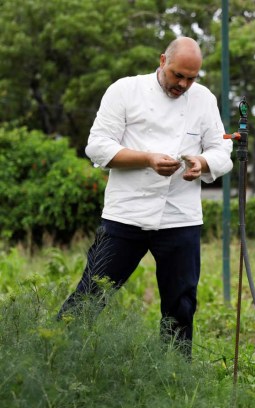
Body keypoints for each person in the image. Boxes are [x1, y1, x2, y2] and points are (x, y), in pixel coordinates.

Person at [57, 37, 233, 358]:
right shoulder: (124, 90)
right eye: (177, 75)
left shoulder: (204, 99)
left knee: (181, 304)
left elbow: (222, 150)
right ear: (162, 60)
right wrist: (147, 159)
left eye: (191, 79)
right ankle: (54, 354)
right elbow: (97, 147)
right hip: (127, 214)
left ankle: (174, 371)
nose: (183, 84)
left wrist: (203, 162)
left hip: (181, 217)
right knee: (91, 293)